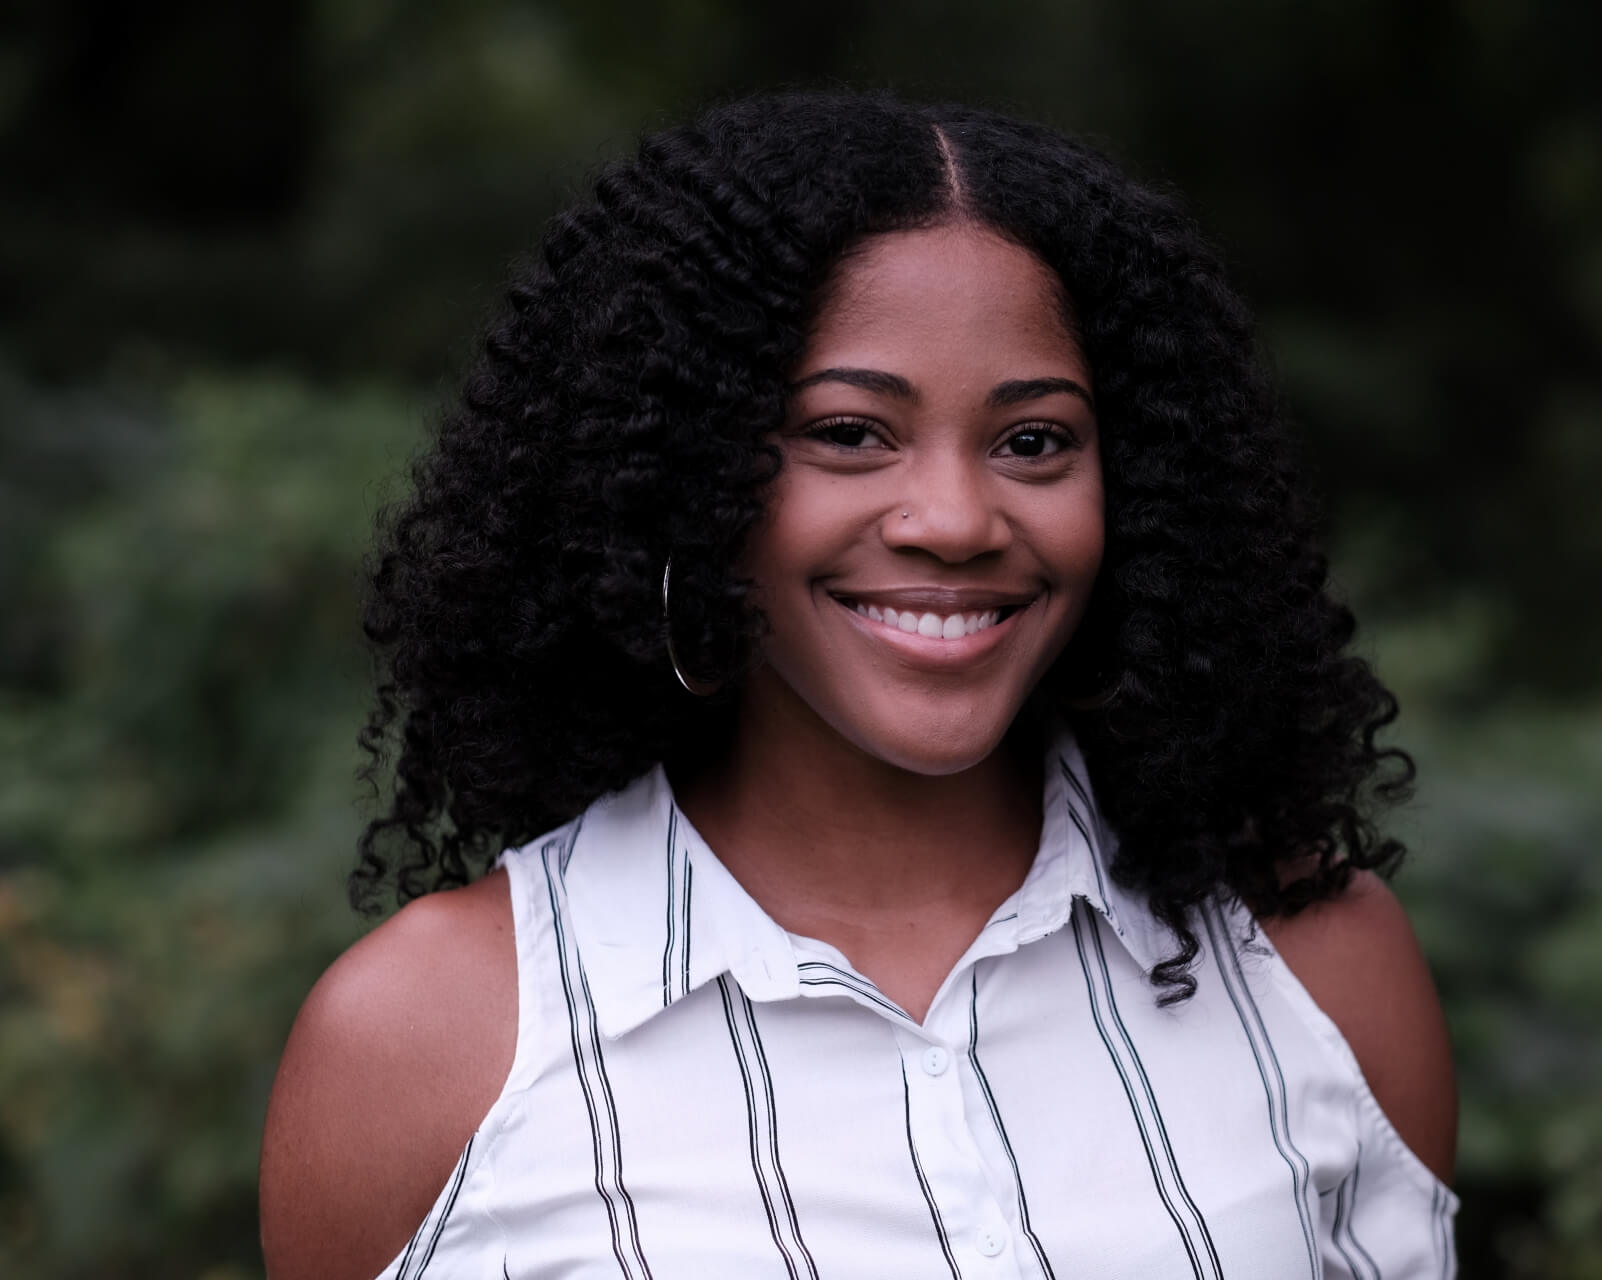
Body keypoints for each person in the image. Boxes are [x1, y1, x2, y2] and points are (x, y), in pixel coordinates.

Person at [259, 90, 1457, 1279]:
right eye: (848, 431)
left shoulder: (1315, 962)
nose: (954, 519)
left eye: (1034, 440)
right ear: (689, 472)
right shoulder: (424, 1041)